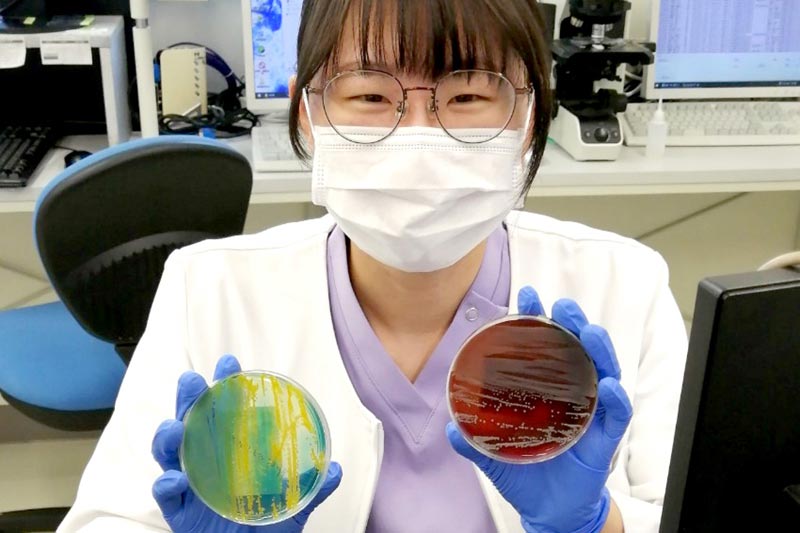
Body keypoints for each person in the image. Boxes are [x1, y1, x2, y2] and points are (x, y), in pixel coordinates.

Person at [59, 1, 687, 532]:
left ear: (527, 117)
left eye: (467, 94)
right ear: (308, 114)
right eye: (370, 95)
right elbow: (107, 519)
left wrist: (594, 524)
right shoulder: (208, 289)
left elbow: (692, 507)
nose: (417, 138)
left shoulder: (626, 286)